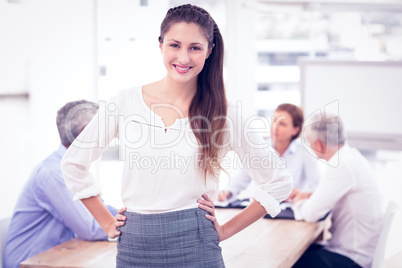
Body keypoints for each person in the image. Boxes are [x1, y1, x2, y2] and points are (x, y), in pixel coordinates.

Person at [61, 4, 293, 267]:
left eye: (195, 47)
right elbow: (73, 163)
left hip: (197, 245)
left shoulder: (225, 114)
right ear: (160, 45)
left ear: (209, 51)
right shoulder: (124, 102)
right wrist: (105, 221)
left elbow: (277, 182)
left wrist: (225, 230)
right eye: (174, 45)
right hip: (134, 245)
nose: (183, 58)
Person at [3, 100, 118, 268]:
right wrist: (135, 225)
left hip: (58, 257)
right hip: (30, 262)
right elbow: (91, 227)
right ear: (86, 133)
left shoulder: (71, 168)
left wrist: (130, 215)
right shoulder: (55, 173)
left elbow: (98, 210)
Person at [292, 114, 383, 268]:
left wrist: (298, 200)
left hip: (352, 259)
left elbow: (310, 214)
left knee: (291, 261)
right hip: (357, 252)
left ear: (318, 145)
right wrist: (308, 196)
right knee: (300, 253)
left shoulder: (340, 166)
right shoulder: (351, 157)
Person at [218, 103, 321, 203]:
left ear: (295, 130)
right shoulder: (259, 148)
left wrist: (300, 194)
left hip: (290, 210)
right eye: (274, 121)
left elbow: (315, 183)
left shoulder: (305, 152)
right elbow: (242, 178)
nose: (275, 127)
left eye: (282, 124)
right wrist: (227, 192)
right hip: (261, 211)